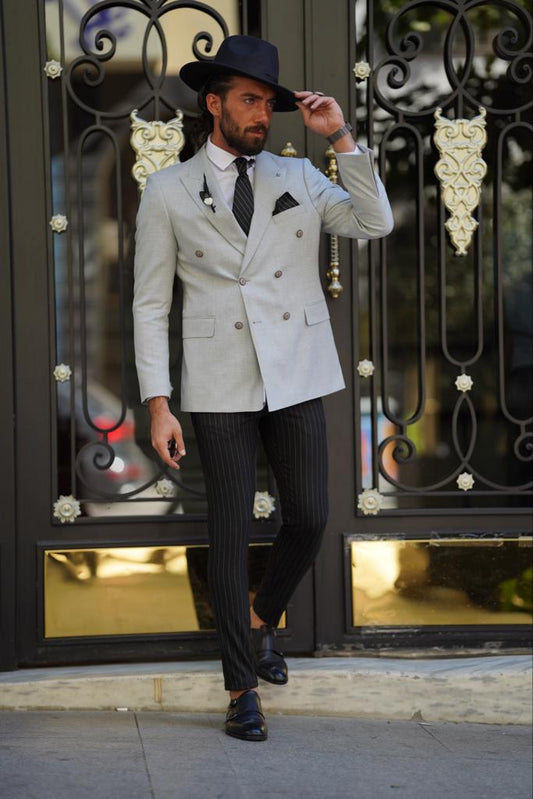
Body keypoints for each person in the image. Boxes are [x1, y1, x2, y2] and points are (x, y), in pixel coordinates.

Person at [133, 34, 393, 741]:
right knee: (227, 531)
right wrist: (159, 404)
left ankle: (258, 618)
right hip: (217, 378)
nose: (261, 114)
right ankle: (240, 687)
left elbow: (375, 222)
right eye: (249, 100)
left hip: (296, 370)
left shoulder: (299, 174)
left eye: (268, 103)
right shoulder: (167, 190)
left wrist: (339, 136)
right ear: (214, 103)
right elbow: (151, 305)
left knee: (308, 515)